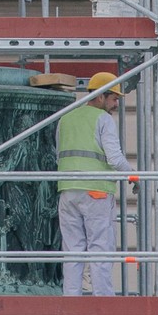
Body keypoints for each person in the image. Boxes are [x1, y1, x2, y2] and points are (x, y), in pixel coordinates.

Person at [56, 71, 135, 296]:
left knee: (72, 250)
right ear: (100, 96)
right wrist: (134, 176)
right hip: (96, 192)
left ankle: (72, 300)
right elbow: (115, 159)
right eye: (114, 99)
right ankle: (103, 302)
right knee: (100, 247)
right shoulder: (103, 119)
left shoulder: (65, 118)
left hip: (67, 191)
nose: (116, 104)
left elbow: (58, 155)